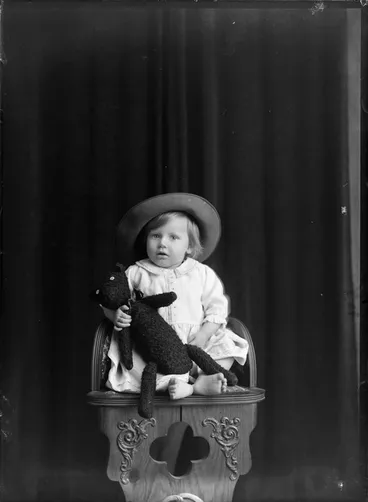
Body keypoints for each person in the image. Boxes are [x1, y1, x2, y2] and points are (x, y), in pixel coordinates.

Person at [101, 193, 248, 400]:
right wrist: (115, 315)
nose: (162, 243)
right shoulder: (136, 272)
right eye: (155, 236)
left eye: (173, 237)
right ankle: (187, 386)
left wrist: (205, 334)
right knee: (135, 367)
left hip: (195, 342)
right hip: (153, 347)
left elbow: (217, 307)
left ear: (189, 246)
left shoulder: (201, 273)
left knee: (227, 348)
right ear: (146, 240)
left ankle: (199, 382)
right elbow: (112, 298)